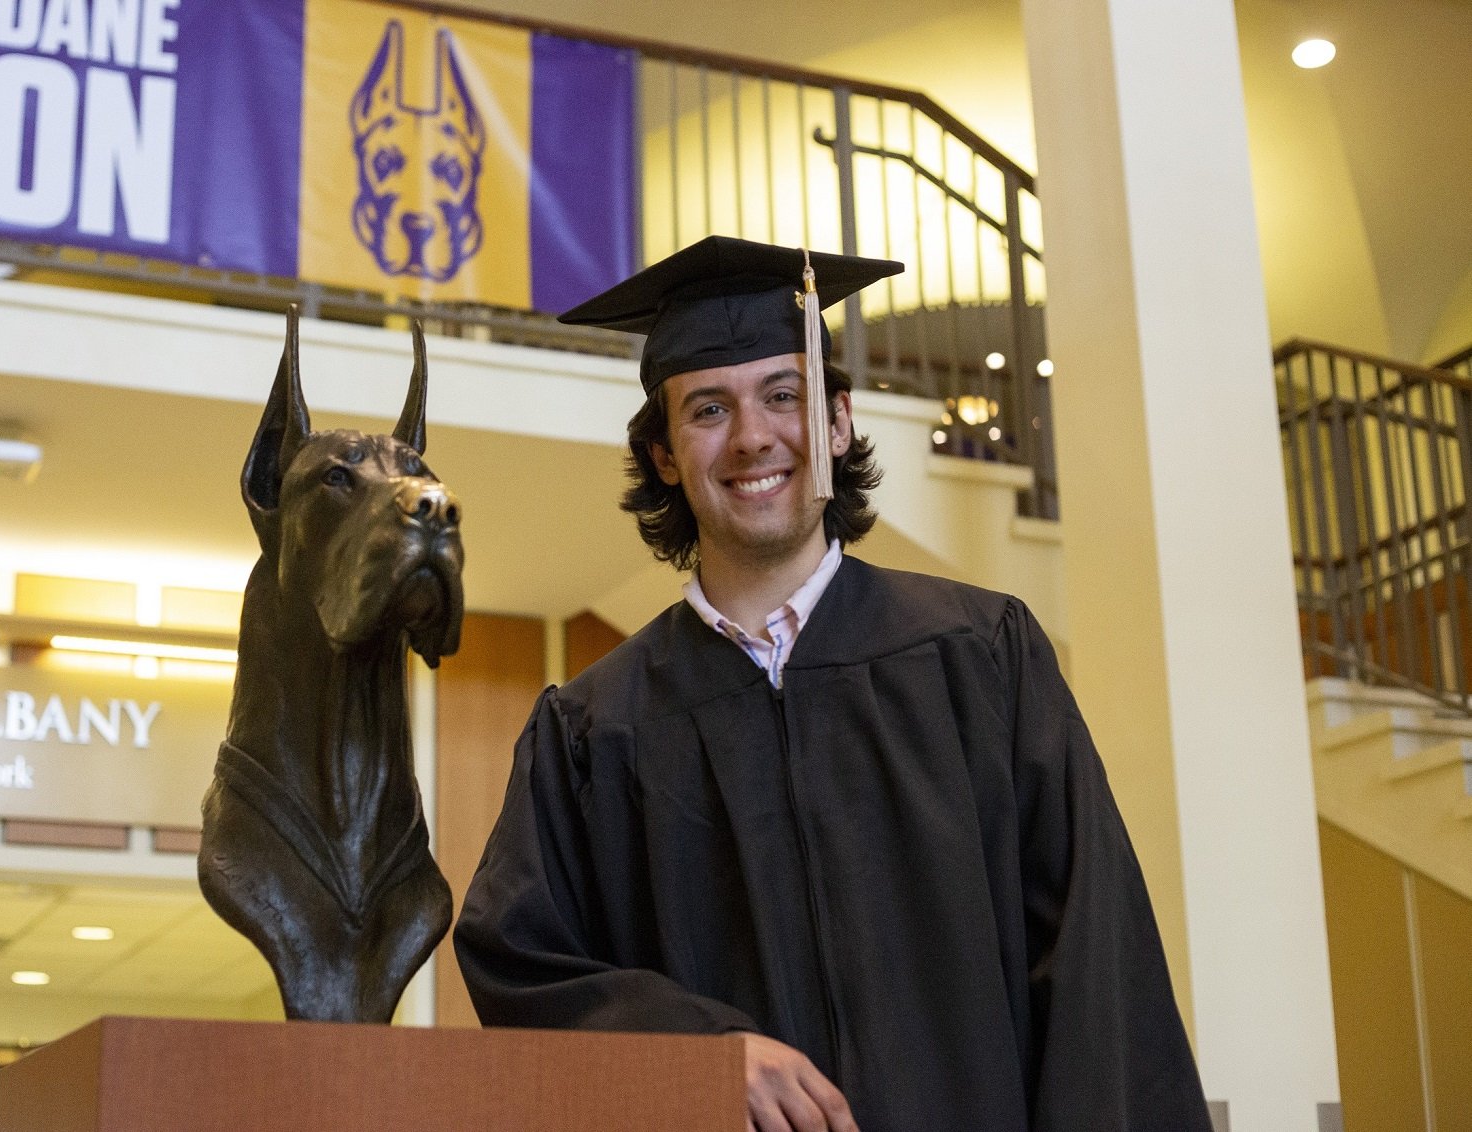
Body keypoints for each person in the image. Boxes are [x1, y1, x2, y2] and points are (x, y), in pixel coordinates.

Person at [454, 236, 1212, 1132]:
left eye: (784, 395)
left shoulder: (982, 658)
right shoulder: (592, 732)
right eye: (707, 409)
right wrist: (696, 1050)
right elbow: (518, 960)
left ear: (839, 422)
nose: (753, 437)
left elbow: (1095, 959)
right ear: (664, 455)